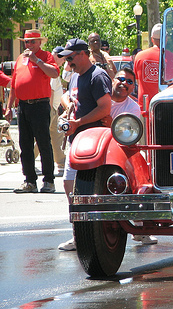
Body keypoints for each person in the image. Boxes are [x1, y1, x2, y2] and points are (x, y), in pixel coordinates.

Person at [57, 38, 112, 251]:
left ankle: (99, 236)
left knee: (93, 192)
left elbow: (105, 108)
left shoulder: (97, 76)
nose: (68, 63)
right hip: (76, 141)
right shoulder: (74, 77)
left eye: (70, 58)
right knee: (69, 185)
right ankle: (78, 233)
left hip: (94, 143)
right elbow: (67, 96)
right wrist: (68, 104)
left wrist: (78, 122)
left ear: (82, 54)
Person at [101, 67, 158, 245]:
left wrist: (112, 125)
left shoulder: (133, 107)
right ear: (112, 80)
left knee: (139, 172)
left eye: (130, 82)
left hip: (120, 151)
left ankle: (140, 228)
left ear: (133, 87)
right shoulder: (101, 100)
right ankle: (78, 235)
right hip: (97, 152)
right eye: (121, 79)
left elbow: (129, 139)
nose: (124, 84)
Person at [5, 30, 59, 193]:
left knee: (43, 143)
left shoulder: (46, 56)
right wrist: (9, 107)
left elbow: (55, 73)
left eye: (32, 42)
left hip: (40, 105)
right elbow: (14, 84)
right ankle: (30, 181)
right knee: (25, 145)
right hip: (23, 106)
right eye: (27, 42)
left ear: (39, 43)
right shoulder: (21, 59)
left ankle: (49, 181)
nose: (29, 45)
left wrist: (37, 60)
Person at [34, 46, 66, 179]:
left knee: (56, 136)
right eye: (63, 59)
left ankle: (61, 164)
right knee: (41, 137)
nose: (64, 62)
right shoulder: (50, 68)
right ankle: (29, 160)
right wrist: (50, 110)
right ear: (57, 56)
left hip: (53, 108)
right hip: (49, 108)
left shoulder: (52, 67)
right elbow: (50, 91)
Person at [134, 23, 173, 110]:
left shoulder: (139, 57)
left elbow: (137, 81)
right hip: (168, 108)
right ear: (166, 39)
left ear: (152, 39)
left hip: (145, 109)